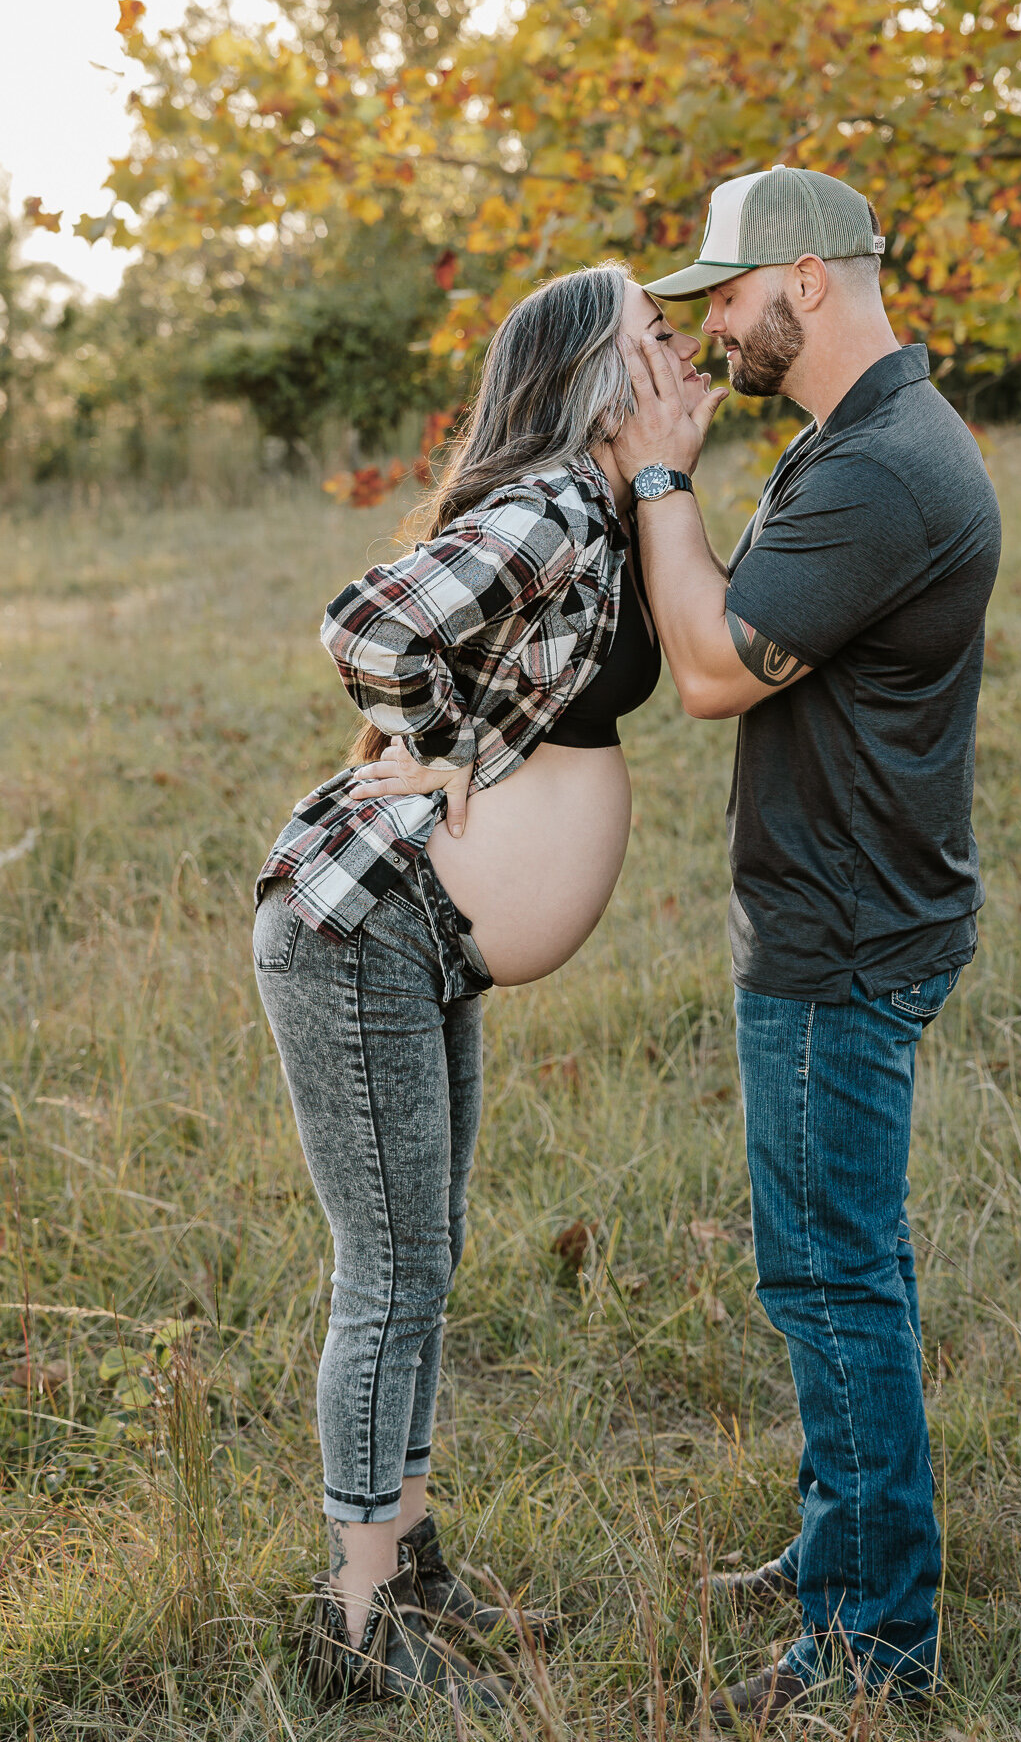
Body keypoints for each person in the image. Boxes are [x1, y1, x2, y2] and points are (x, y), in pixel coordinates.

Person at [252, 263, 706, 1709]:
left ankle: (408, 1559)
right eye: (650, 338)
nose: (673, 354)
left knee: (421, 1260)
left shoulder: (613, 504)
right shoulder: (554, 505)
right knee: (388, 1275)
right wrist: (436, 744)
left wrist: (675, 473)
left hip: (421, 934)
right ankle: (357, 1621)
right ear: (587, 369)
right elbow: (364, 623)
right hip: (367, 924)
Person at [610, 165, 1002, 1725]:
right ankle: (844, 1540)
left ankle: (872, 1635)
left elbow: (711, 669)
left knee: (830, 1281)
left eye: (731, 294)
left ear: (813, 283)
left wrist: (658, 480)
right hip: (854, 905)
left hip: (843, 934)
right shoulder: (856, 441)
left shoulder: (883, 470)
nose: (717, 324)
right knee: (849, 1266)